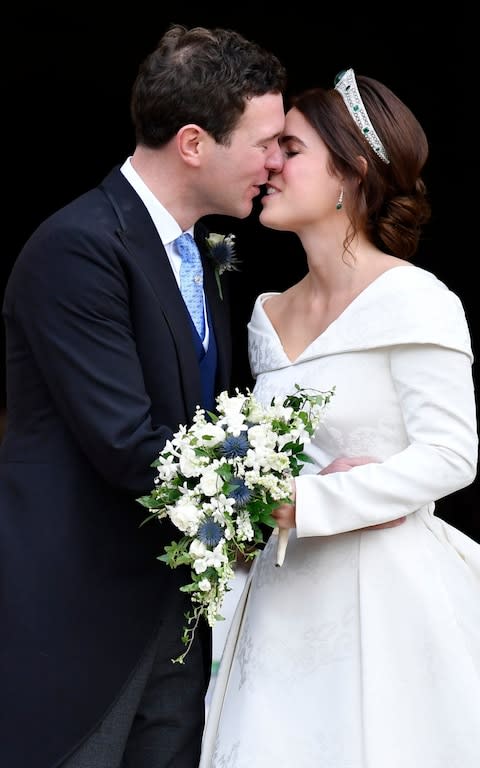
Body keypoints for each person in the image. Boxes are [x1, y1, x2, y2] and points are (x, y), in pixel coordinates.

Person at [0, 24, 288, 768]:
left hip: (177, 621)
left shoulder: (203, 251)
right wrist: (295, 499)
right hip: (80, 626)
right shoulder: (78, 246)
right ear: (194, 143)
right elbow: (129, 445)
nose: (276, 160)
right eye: (265, 141)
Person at [200, 69, 480, 767]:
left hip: (382, 602)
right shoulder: (265, 313)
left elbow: (451, 453)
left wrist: (310, 501)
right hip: (276, 602)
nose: (269, 164)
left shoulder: (417, 299)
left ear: (350, 175)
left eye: (290, 150)